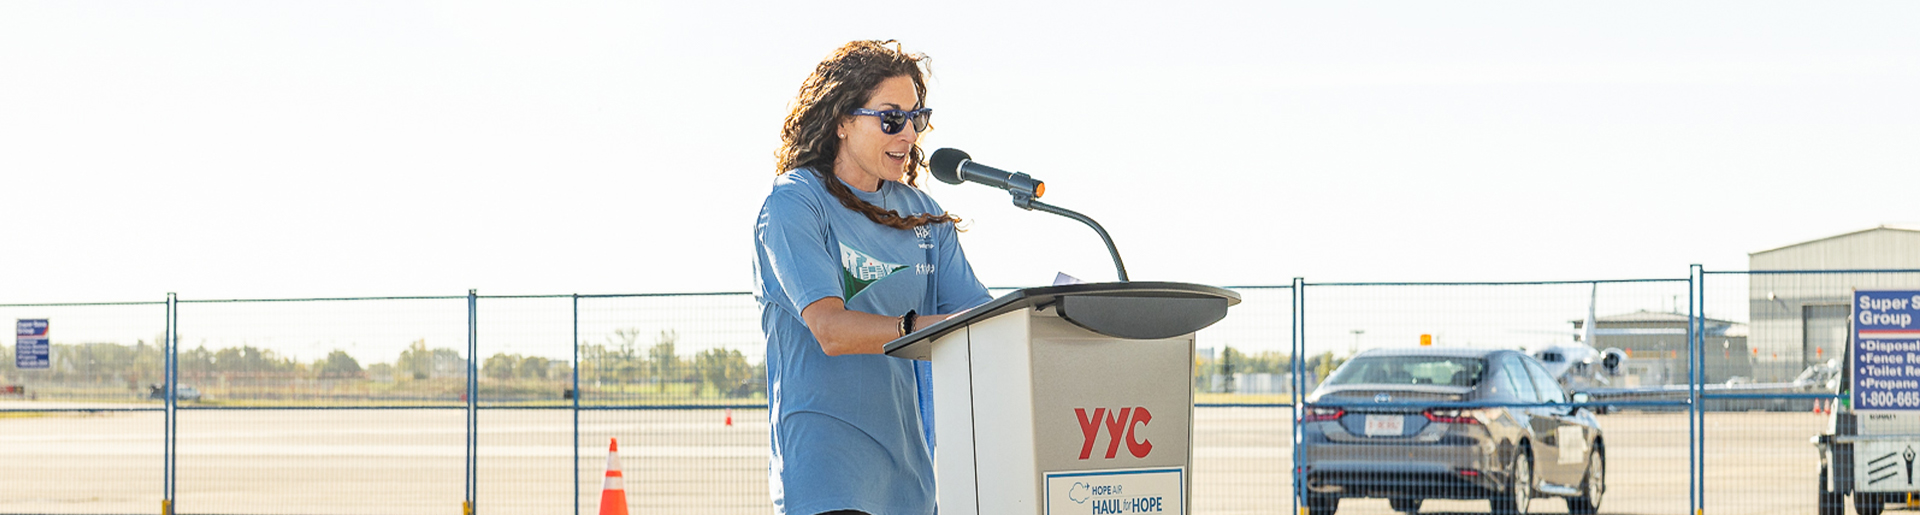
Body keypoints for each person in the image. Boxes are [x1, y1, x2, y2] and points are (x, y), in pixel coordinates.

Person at [753, 40, 993, 515]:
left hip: (909, 482)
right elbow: (831, 330)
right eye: (890, 118)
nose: (908, 133)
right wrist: (920, 328)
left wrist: (1051, 311)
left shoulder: (922, 214)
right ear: (843, 120)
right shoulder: (794, 203)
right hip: (825, 476)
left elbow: (981, 320)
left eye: (916, 118)